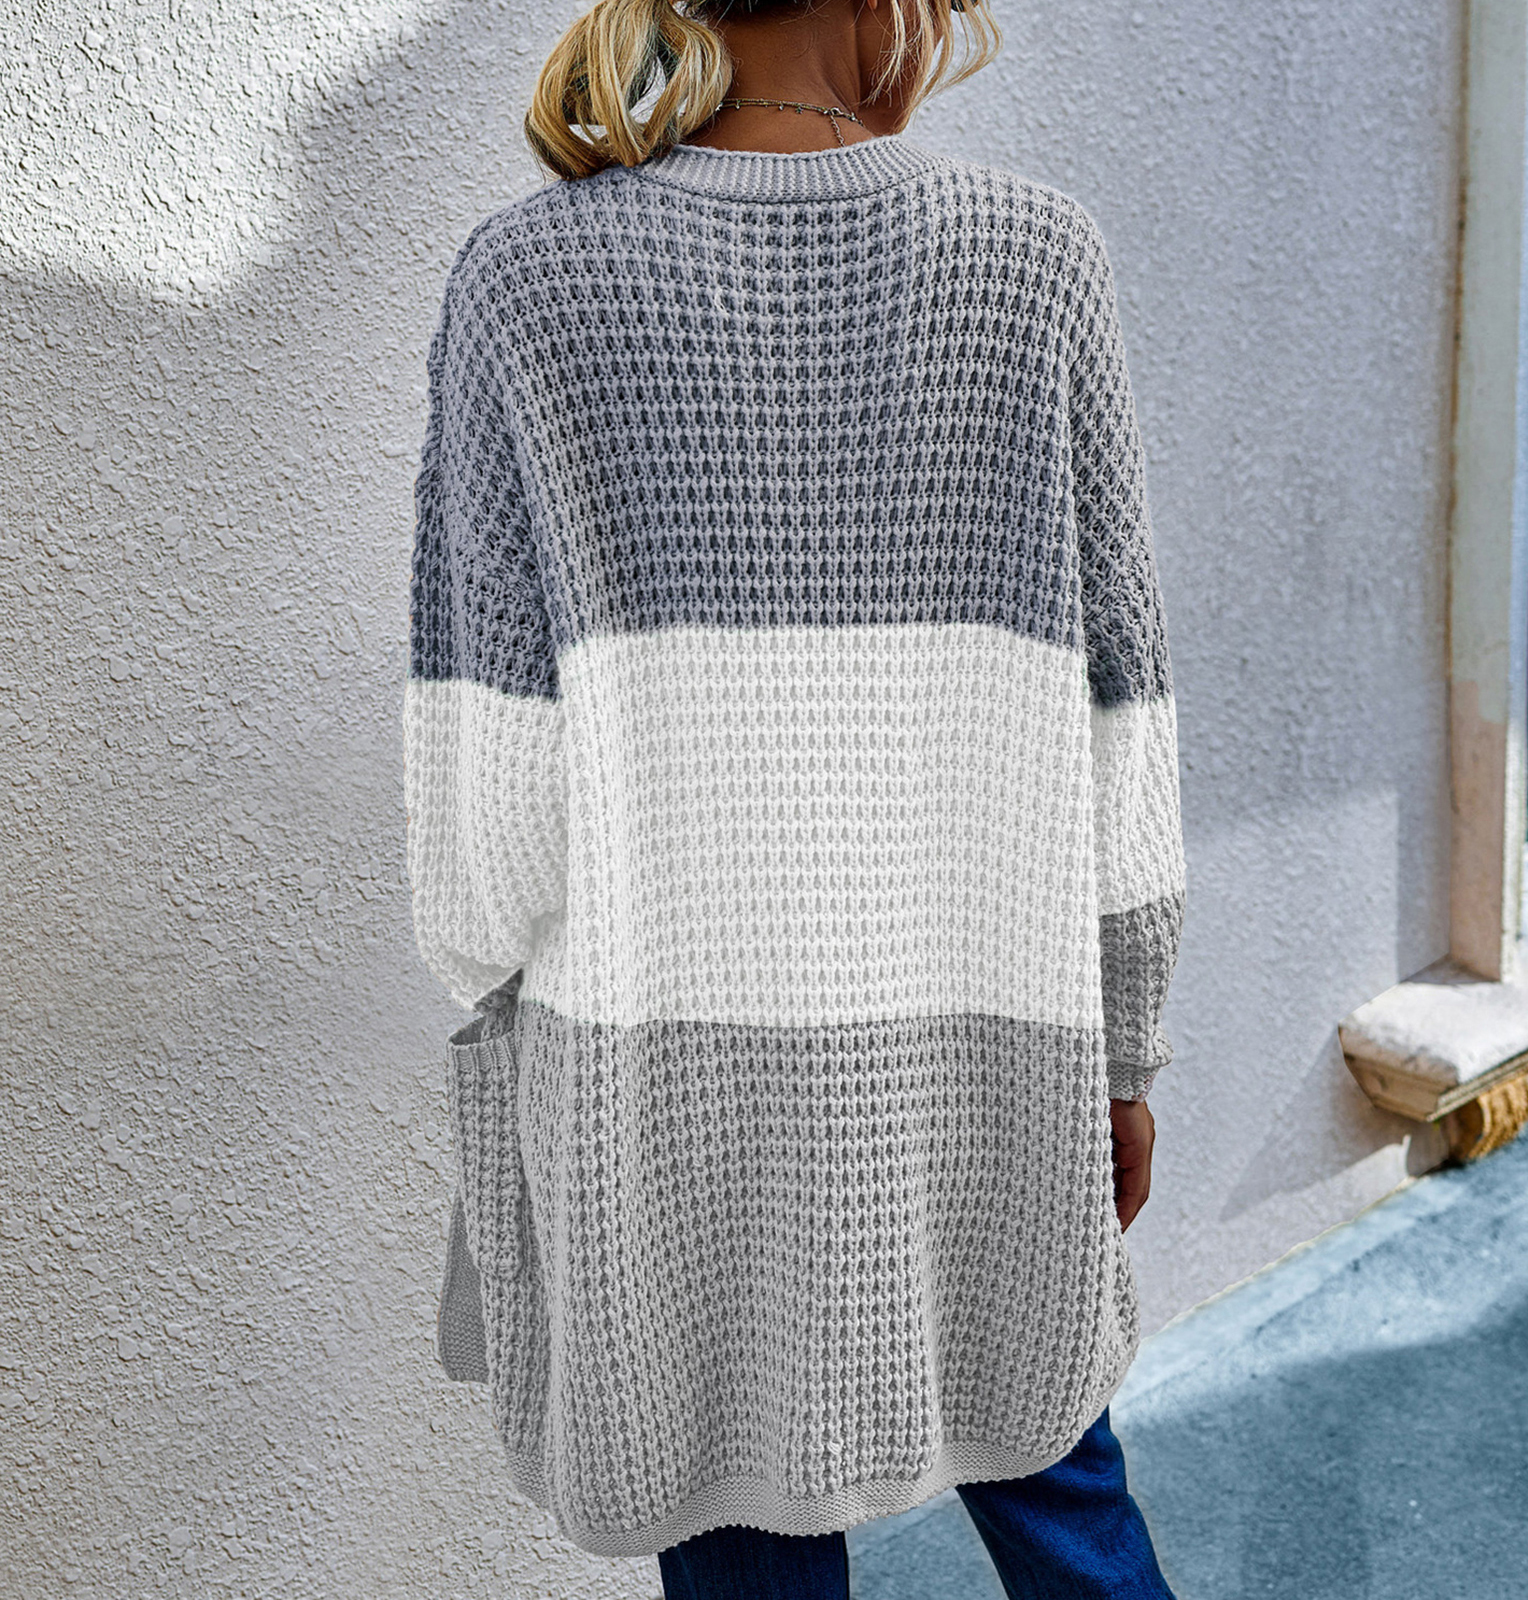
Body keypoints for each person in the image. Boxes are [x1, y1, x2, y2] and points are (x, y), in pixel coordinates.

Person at [403, 1, 1187, 1595]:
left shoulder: (524, 279)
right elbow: (1123, 715)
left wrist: (495, 994)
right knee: (1060, 1483)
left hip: (661, 1082)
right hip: (989, 1063)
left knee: (737, 1507)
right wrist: (1123, 1041)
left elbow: (493, 792)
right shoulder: (1036, 260)